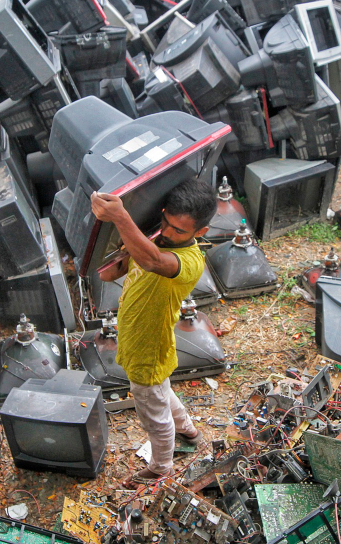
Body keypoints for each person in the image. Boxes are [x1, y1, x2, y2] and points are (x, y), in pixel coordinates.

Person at [90, 179, 217, 486]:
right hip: (141, 340)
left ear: (200, 232)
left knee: (152, 411)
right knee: (161, 392)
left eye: (179, 230)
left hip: (148, 348)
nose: (169, 232)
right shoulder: (156, 237)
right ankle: (188, 430)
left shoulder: (188, 261)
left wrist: (121, 218)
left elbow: (152, 260)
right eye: (166, 222)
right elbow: (112, 271)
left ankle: (162, 466)